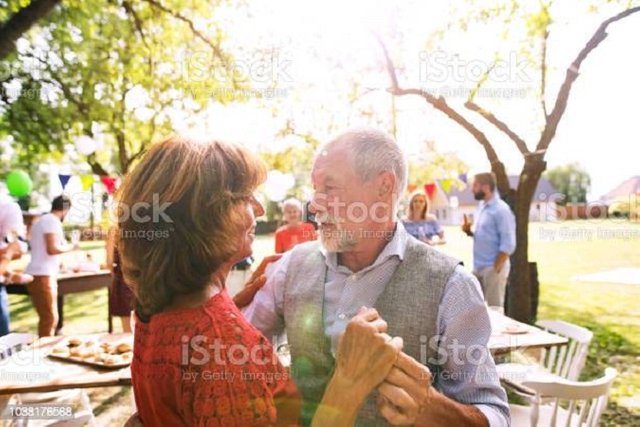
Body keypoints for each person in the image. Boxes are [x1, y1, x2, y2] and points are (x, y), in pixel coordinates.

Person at [117, 136, 406, 426]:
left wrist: (224, 309)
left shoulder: (154, 310)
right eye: (245, 197)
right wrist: (349, 380)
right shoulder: (224, 354)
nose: (260, 209)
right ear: (205, 218)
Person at [242, 128, 510, 425]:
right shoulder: (289, 267)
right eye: (315, 189)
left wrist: (432, 407)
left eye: (329, 188)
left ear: (384, 187)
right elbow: (232, 360)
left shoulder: (452, 285)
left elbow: (494, 413)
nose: (314, 205)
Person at [24, 195, 77, 337]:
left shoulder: (42, 220)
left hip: (40, 273)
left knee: (48, 318)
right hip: (42, 275)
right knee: (50, 319)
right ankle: (43, 354)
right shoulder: (51, 221)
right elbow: (52, 248)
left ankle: (45, 351)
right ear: (66, 209)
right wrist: (71, 247)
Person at [461, 173, 516, 307]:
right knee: (474, 309)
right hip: (478, 268)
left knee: (495, 310)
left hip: (493, 268)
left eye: (475, 185)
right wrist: (469, 231)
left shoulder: (501, 210)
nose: (472, 189)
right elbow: (486, 235)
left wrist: (495, 268)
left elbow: (509, 244)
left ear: (486, 187)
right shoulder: (482, 207)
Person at [0, 191, 31, 336]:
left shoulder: (7, 206)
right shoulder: (7, 206)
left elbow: (18, 247)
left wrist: (6, 271)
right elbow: (17, 247)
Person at [106, 226, 134, 333]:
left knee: (127, 329)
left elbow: (109, 261)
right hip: (143, 281)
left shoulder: (114, 230)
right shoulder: (146, 228)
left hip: (123, 279)